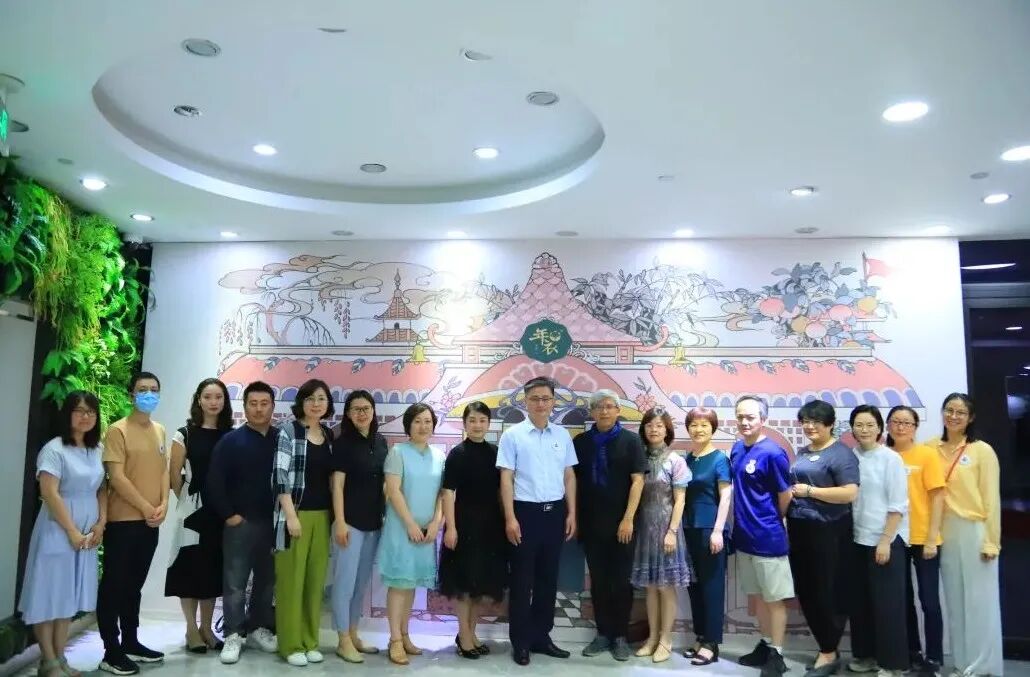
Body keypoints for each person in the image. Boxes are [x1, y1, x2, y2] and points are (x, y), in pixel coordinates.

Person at [19, 391, 105, 677]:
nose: (85, 416)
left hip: (86, 535)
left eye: (90, 412)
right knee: (48, 594)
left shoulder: (97, 449)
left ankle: (60, 658)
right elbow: (49, 493)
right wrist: (71, 531)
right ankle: (48, 661)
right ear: (67, 414)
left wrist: (100, 524)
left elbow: (102, 489)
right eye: (79, 411)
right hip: (58, 530)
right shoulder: (54, 449)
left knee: (68, 596)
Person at [497, 376, 577, 667]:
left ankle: (541, 637)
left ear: (553, 402)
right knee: (522, 582)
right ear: (525, 401)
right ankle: (520, 643)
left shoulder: (562, 435)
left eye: (546, 398)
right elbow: (506, 478)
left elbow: (569, 475)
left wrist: (572, 513)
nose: (541, 404)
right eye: (535, 399)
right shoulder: (513, 435)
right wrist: (510, 518)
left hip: (555, 513)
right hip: (524, 514)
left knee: (547, 580)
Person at [96, 372, 169, 675]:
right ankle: (110, 650)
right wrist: (146, 507)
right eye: (142, 390)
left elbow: (164, 471)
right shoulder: (117, 430)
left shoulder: (160, 430)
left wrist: (164, 505)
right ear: (132, 395)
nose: (148, 394)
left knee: (134, 586)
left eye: (154, 389)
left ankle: (130, 641)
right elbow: (117, 477)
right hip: (123, 521)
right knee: (114, 585)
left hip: (150, 523)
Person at [925, 393, 1003, 677]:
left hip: (974, 530)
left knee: (980, 602)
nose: (954, 416)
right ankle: (961, 664)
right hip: (944, 532)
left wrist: (991, 541)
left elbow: (991, 499)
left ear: (970, 418)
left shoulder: (982, 451)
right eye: (949, 410)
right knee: (955, 602)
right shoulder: (930, 448)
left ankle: (982, 667)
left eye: (960, 412)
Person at [205, 381, 279, 664]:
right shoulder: (231, 441)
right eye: (253, 404)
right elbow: (214, 483)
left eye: (264, 404)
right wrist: (230, 515)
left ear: (272, 406)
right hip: (240, 524)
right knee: (235, 583)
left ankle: (259, 628)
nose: (259, 409)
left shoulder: (281, 439)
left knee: (266, 581)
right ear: (245, 407)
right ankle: (234, 634)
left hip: (273, 524)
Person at [786, 400, 859, 677]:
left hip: (829, 531)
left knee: (827, 590)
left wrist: (810, 492)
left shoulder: (841, 454)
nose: (810, 426)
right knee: (807, 590)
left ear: (830, 424)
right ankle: (825, 647)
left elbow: (850, 493)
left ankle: (829, 651)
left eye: (816, 421)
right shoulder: (803, 452)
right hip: (800, 528)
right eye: (805, 421)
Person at [573, 390, 645, 662]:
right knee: (599, 581)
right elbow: (572, 481)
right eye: (598, 407)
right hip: (591, 524)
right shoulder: (581, 442)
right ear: (592, 412)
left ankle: (620, 637)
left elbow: (638, 481)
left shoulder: (631, 441)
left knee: (621, 582)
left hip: (623, 524)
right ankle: (602, 634)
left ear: (617, 410)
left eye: (609, 406)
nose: (604, 411)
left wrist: (628, 518)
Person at [165, 378, 233, 654]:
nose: (213, 402)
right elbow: (174, 475)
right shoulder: (184, 434)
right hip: (192, 512)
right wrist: (188, 502)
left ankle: (207, 628)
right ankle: (191, 629)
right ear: (198, 400)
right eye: (207, 397)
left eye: (218, 397)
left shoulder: (230, 435)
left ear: (225, 401)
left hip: (220, 513)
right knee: (189, 568)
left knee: (212, 569)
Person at [273, 379, 336, 666]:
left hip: (323, 517)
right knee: (291, 582)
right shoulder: (289, 431)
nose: (316, 403)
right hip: (295, 515)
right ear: (301, 402)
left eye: (321, 398)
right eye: (310, 398)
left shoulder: (329, 434)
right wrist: (290, 516)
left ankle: (311, 641)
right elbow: (280, 476)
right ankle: (290, 645)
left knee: (314, 583)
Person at [438, 401, 508, 659]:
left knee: (480, 584)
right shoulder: (458, 454)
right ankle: (463, 634)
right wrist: (451, 527)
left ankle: (471, 632)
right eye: (472, 420)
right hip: (464, 525)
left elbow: (502, 491)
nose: (477, 425)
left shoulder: (496, 453)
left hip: (490, 527)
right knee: (464, 584)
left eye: (482, 420)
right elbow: (448, 492)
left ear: (488, 424)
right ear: (465, 424)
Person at [378, 403, 446, 666]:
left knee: (411, 585)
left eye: (428, 421)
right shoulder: (398, 452)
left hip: (427, 531)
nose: (423, 426)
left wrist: (436, 522)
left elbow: (442, 494)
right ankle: (394, 640)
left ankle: (405, 635)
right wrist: (410, 524)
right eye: (417, 421)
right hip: (402, 528)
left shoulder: (439, 456)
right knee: (399, 584)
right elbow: (393, 490)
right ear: (408, 425)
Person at [730, 395, 792, 677]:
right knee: (758, 598)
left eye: (750, 417)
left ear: (763, 420)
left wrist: (770, 520)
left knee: (774, 599)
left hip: (768, 539)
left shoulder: (773, 453)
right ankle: (766, 645)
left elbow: (785, 495)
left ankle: (777, 654)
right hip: (744, 538)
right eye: (740, 416)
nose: (744, 422)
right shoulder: (737, 449)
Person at [848, 405, 910, 677]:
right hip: (856, 540)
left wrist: (885, 540)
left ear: (880, 429)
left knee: (888, 606)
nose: (864, 430)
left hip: (885, 540)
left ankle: (892, 665)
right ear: (852, 429)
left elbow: (898, 505)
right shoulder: (850, 457)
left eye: (870, 425)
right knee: (860, 605)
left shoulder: (890, 459)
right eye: (859, 425)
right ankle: (866, 656)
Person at [885, 405, 945, 675]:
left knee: (929, 601)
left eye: (907, 423)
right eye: (895, 421)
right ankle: (911, 652)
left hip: (923, 538)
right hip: (895, 538)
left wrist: (932, 538)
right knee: (902, 599)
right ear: (887, 425)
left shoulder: (926, 455)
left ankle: (933, 659)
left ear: (915, 428)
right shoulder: (883, 455)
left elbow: (938, 498)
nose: (900, 427)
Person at [330, 390, 388, 662]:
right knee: (344, 584)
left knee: (360, 584)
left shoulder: (381, 441)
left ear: (373, 411)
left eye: (366, 408)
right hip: (349, 523)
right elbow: (337, 486)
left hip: (374, 523)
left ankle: (353, 633)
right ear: (348, 414)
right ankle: (342, 639)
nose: (362, 413)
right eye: (356, 409)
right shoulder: (343, 443)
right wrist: (340, 522)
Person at [630, 407, 691, 664]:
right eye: (649, 425)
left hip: (667, 528)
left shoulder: (675, 460)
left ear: (667, 430)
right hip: (644, 529)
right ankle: (652, 638)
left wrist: (672, 532)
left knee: (666, 586)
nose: (654, 430)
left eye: (659, 426)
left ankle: (667, 639)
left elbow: (680, 500)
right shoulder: (639, 458)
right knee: (650, 587)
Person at [683, 407, 732, 666]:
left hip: (710, 530)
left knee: (712, 587)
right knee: (694, 586)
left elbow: (726, 496)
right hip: (687, 529)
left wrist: (718, 530)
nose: (698, 429)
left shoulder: (720, 459)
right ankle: (701, 637)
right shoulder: (688, 458)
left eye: (704, 425)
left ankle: (712, 643)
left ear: (713, 428)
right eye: (694, 425)